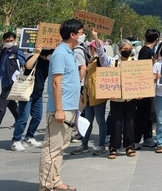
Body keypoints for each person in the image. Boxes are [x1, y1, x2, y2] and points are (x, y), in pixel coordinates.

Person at [39, 19, 83, 191]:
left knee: (60, 147)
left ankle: (55, 181)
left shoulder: (70, 52)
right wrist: (58, 109)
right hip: (61, 108)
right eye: (80, 32)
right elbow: (56, 83)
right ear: (72, 35)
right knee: (52, 148)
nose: (82, 35)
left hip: (69, 107)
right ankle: (47, 185)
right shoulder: (60, 53)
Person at [94, 35, 138, 159]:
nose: (127, 50)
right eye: (125, 48)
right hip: (116, 98)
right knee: (116, 123)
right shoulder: (113, 62)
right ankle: (113, 147)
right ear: (119, 50)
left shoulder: (135, 63)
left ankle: (129, 146)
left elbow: (141, 79)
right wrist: (96, 39)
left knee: (130, 122)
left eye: (129, 48)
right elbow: (101, 56)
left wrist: (141, 93)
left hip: (131, 98)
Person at [70, 38, 108, 156]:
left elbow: (102, 54)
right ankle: (84, 145)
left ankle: (101, 145)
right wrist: (83, 94)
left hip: (98, 96)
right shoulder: (90, 60)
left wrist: (96, 38)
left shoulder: (101, 61)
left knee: (100, 121)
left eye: (93, 48)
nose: (92, 50)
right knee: (87, 121)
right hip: (88, 96)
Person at [11, 46, 51, 151]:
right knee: (23, 117)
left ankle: (29, 137)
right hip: (27, 93)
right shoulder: (34, 58)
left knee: (37, 117)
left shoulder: (49, 62)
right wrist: (37, 53)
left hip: (38, 93)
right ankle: (16, 140)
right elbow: (27, 67)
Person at [134, 28, 159, 149]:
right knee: (145, 114)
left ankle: (146, 137)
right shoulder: (146, 51)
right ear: (157, 39)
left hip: (146, 86)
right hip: (144, 87)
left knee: (149, 113)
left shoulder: (146, 50)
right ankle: (138, 139)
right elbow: (143, 69)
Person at [0, 31, 26, 127]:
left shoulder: (17, 51)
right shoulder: (3, 52)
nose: (9, 42)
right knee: (10, 103)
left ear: (15, 40)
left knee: (1, 104)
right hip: (4, 81)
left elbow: (25, 65)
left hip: (13, 82)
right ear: (3, 41)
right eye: (7, 41)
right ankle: (19, 119)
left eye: (11, 40)